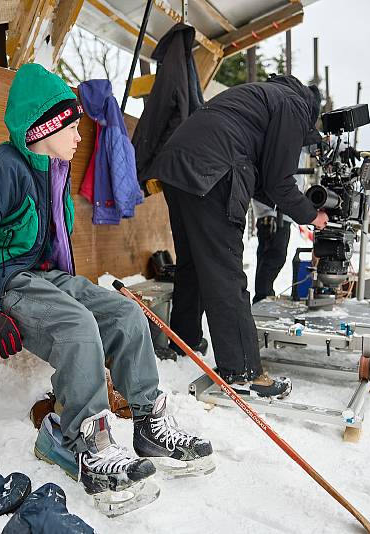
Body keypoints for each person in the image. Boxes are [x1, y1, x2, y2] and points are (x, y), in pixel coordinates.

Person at [0, 64, 213, 509]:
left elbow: (53, 247)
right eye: (73, 126)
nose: (81, 137)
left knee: (125, 312)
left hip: (41, 275)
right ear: (45, 128)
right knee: (78, 326)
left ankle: (148, 423)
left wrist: (71, 289)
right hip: (3, 281)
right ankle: (87, 443)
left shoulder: (52, 171)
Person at [143, 75, 328, 399]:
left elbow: (263, 176)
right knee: (225, 271)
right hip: (214, 172)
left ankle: (184, 340)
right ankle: (242, 370)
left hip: (177, 166)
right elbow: (278, 181)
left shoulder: (262, 96)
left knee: (194, 262)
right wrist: (312, 216)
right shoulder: (294, 107)